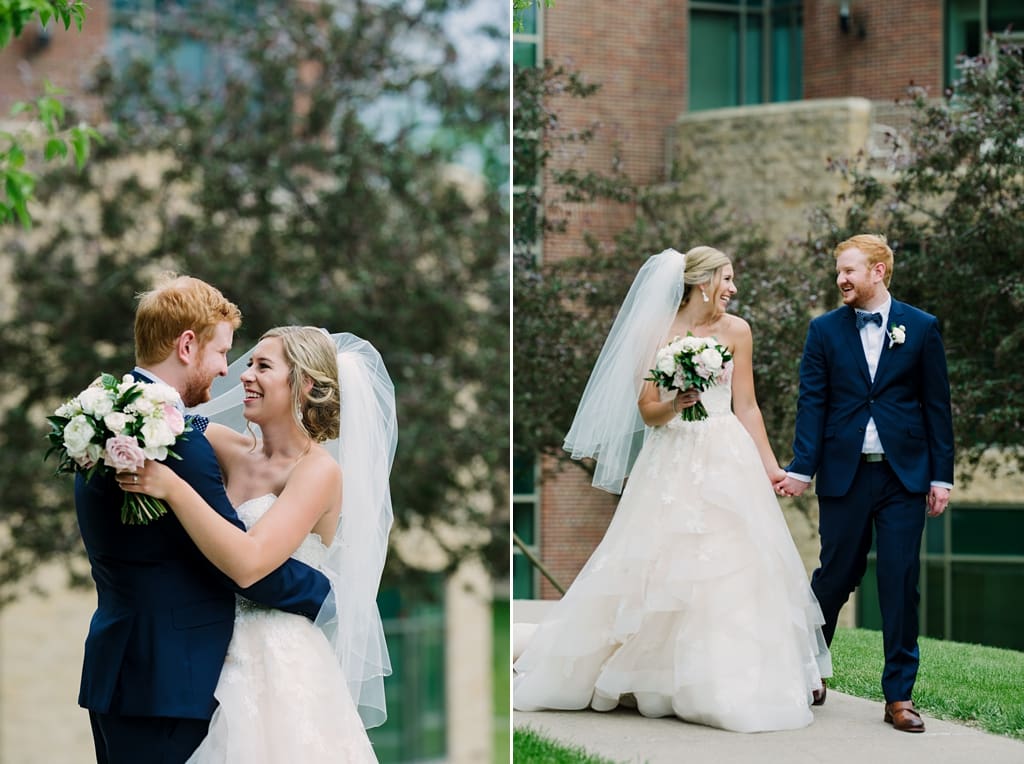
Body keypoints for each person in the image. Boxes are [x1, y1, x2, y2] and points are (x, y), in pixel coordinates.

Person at [513, 247, 831, 733]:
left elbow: (747, 406)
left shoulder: (738, 331)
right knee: (658, 561)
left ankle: (726, 676)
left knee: (733, 561)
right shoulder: (654, 332)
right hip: (670, 459)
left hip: (727, 458)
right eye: (727, 279)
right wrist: (676, 404)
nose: (733, 289)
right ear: (703, 283)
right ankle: (647, 674)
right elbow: (647, 411)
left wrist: (771, 468)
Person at [75, 276, 331, 763]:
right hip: (168, 681)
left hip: (124, 667)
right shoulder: (174, 445)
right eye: (224, 353)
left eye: (258, 364)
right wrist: (326, 592)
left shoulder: (105, 424)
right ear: (187, 345)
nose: (229, 371)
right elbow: (239, 564)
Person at [120, 326, 396, 763]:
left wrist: (172, 488)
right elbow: (165, 416)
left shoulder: (318, 472)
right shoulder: (228, 447)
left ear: (305, 384)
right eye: (248, 363)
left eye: (263, 366)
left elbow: (250, 563)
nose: (244, 374)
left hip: (278, 663)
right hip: (208, 650)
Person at [775, 234, 954, 733]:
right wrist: (802, 467)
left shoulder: (921, 327)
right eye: (839, 271)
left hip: (903, 476)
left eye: (849, 270)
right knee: (836, 575)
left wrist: (941, 476)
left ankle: (899, 696)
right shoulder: (824, 331)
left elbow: (936, 405)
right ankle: (810, 670)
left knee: (900, 581)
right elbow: (812, 402)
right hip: (844, 473)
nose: (841, 279)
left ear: (878, 271)